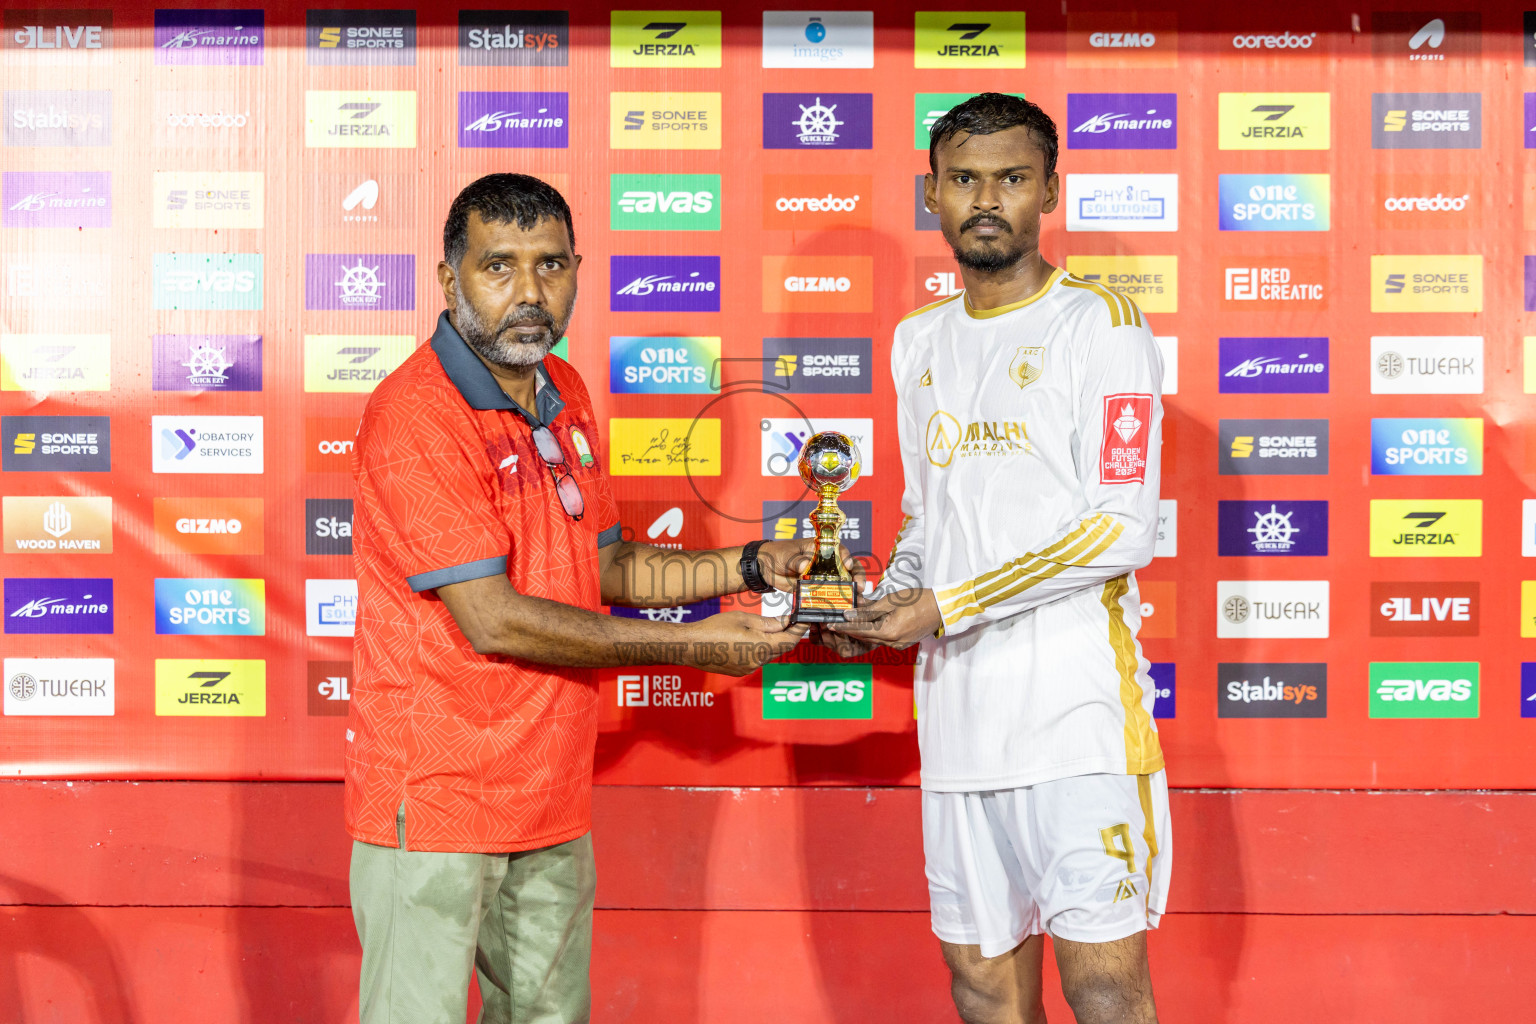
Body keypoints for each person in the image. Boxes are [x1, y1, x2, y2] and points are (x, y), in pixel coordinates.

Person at [345, 173, 814, 1024]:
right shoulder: (416, 415)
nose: (530, 292)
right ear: (449, 280)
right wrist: (692, 647)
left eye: (552, 265)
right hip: (442, 798)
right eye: (499, 267)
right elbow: (493, 618)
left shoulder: (564, 391)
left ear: (578, 270)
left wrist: (747, 564)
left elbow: (604, 564)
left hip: (551, 796)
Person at [829, 94, 1170, 1024]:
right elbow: (924, 514)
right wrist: (875, 603)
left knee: (1104, 986)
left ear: (1050, 191)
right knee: (981, 984)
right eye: (965, 179)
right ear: (930, 194)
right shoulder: (917, 341)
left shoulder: (1103, 326)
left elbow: (1120, 528)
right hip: (957, 724)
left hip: (1076, 722)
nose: (988, 199)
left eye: (1013, 179)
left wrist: (945, 604)